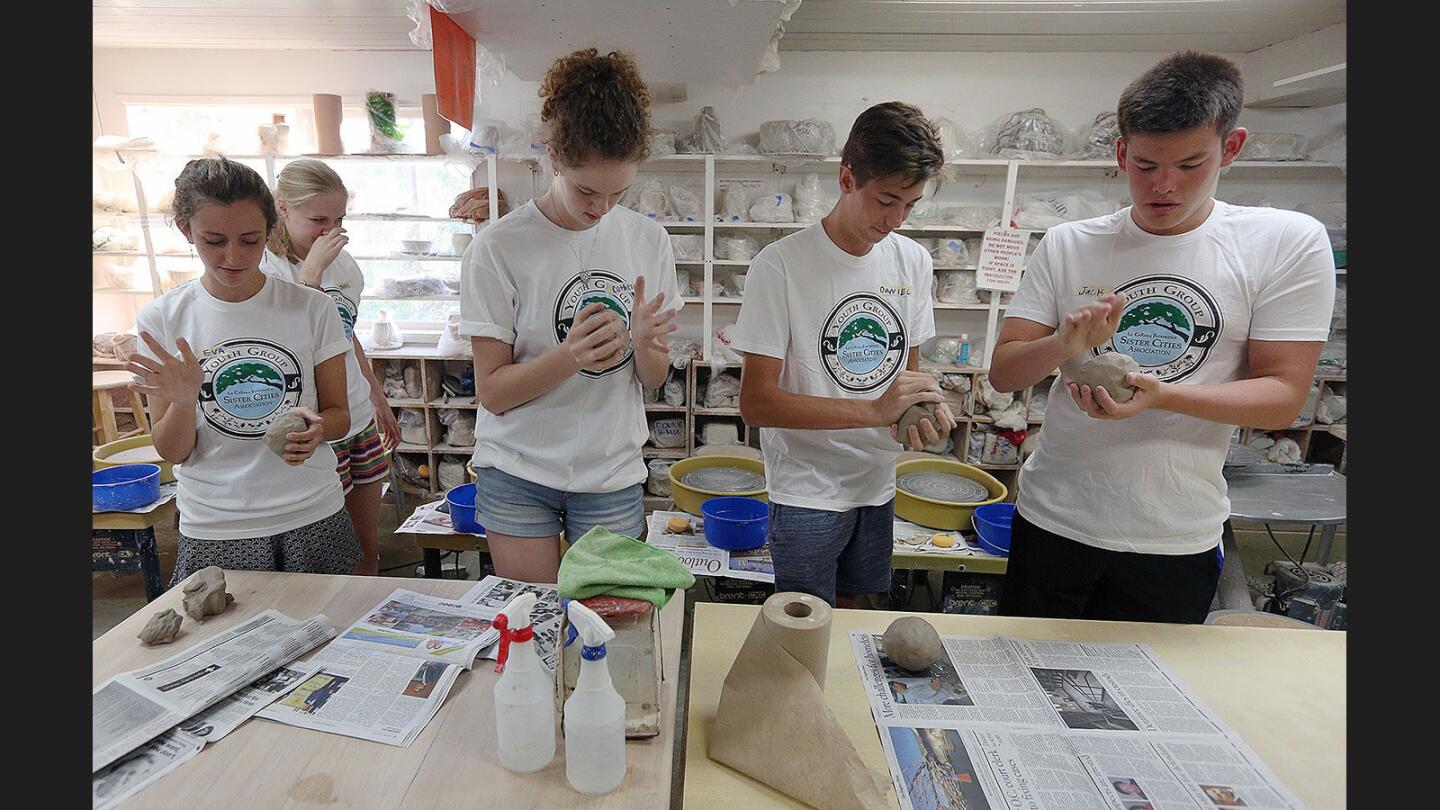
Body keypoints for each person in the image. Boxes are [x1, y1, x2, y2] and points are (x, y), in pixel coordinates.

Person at [988, 51, 1334, 623]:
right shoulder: (1069, 243)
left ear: (1232, 147)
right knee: (1025, 685)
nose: (1163, 186)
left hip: (1173, 534)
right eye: (1145, 165)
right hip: (1054, 519)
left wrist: (1163, 396)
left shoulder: (1283, 242)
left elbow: (1283, 396)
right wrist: (1064, 346)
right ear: (1121, 151)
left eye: (1191, 164)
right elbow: (1004, 373)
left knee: (1144, 706)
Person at [459, 48, 679, 582]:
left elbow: (652, 381)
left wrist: (646, 346)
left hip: (609, 471)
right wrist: (570, 355)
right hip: (517, 470)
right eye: (587, 190)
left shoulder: (648, 240)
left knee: (605, 629)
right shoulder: (498, 248)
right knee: (532, 624)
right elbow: (493, 392)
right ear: (554, 155)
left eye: (618, 191)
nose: (602, 207)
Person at [732, 101, 957, 609]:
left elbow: (910, 380)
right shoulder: (781, 266)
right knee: (802, 629)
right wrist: (873, 412)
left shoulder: (913, 261)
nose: (896, 220)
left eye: (911, 205)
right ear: (846, 178)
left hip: (877, 483)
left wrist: (928, 409)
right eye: (887, 200)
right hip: (807, 490)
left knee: (857, 622)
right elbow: (756, 404)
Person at [129, 158, 360, 583]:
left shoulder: (312, 307)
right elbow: (172, 450)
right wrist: (182, 402)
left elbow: (340, 415)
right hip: (217, 524)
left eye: (250, 240)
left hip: (310, 510)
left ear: (271, 229)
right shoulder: (164, 319)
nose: (233, 257)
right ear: (186, 230)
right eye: (214, 240)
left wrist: (317, 430)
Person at [260, 158, 401, 576]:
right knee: (328, 558)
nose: (330, 230)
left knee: (366, 548)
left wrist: (377, 396)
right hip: (314, 425)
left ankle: (365, 636)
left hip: (355, 416)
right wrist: (313, 273)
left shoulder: (345, 263)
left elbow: (343, 331)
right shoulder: (265, 269)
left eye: (339, 218)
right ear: (282, 208)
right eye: (318, 219)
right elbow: (289, 347)